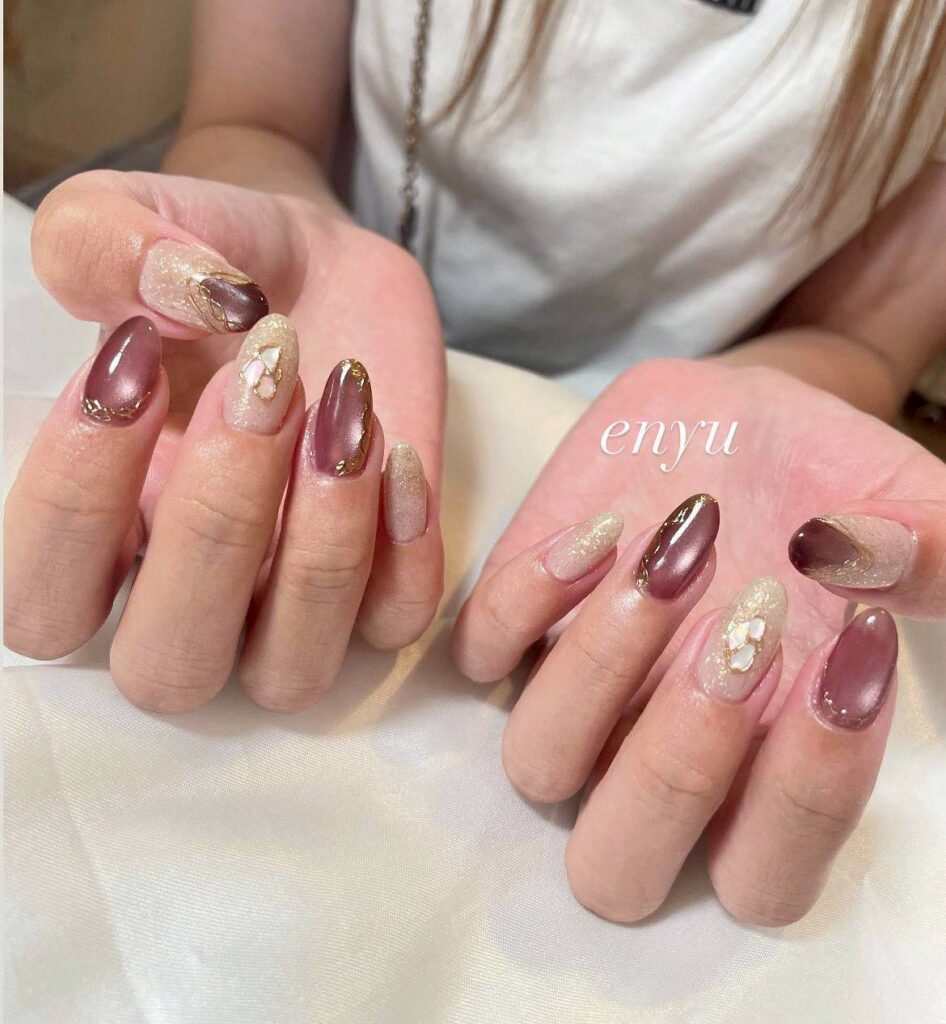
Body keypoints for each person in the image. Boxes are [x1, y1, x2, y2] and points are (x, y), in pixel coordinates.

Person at [4, 0, 946, 927]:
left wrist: (746, 417)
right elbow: (252, 121)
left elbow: (859, 338)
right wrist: (290, 243)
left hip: (655, 468)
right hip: (363, 363)